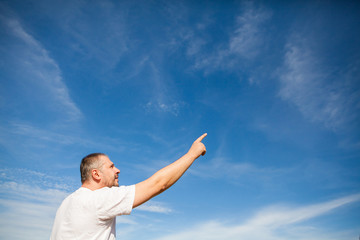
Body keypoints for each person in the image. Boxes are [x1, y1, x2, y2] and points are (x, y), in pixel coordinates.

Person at [50, 133, 207, 240]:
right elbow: (159, 184)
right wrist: (192, 154)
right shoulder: (99, 199)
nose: (118, 170)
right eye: (111, 167)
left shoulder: (66, 203)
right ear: (96, 174)